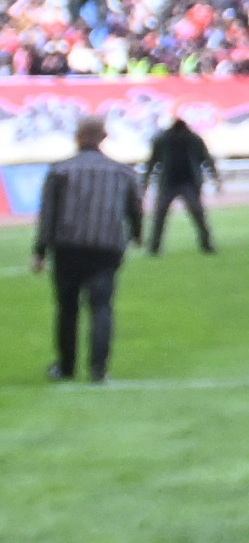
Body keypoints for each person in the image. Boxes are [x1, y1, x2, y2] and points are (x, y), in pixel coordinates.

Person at [33, 114, 143, 383]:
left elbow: (48, 215)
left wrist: (40, 251)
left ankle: (66, 367)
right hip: (107, 247)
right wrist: (137, 235)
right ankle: (98, 369)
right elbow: (135, 209)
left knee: (67, 308)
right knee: (101, 307)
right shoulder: (122, 172)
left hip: (68, 247)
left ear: (77, 137)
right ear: (103, 137)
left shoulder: (60, 171)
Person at [144, 110, 218, 255]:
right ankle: (206, 245)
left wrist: (145, 181)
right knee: (197, 214)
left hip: (175, 182)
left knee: (162, 215)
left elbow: (152, 162)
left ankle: (155, 247)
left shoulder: (164, 139)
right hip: (183, 182)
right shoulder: (192, 139)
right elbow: (207, 160)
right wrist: (214, 177)